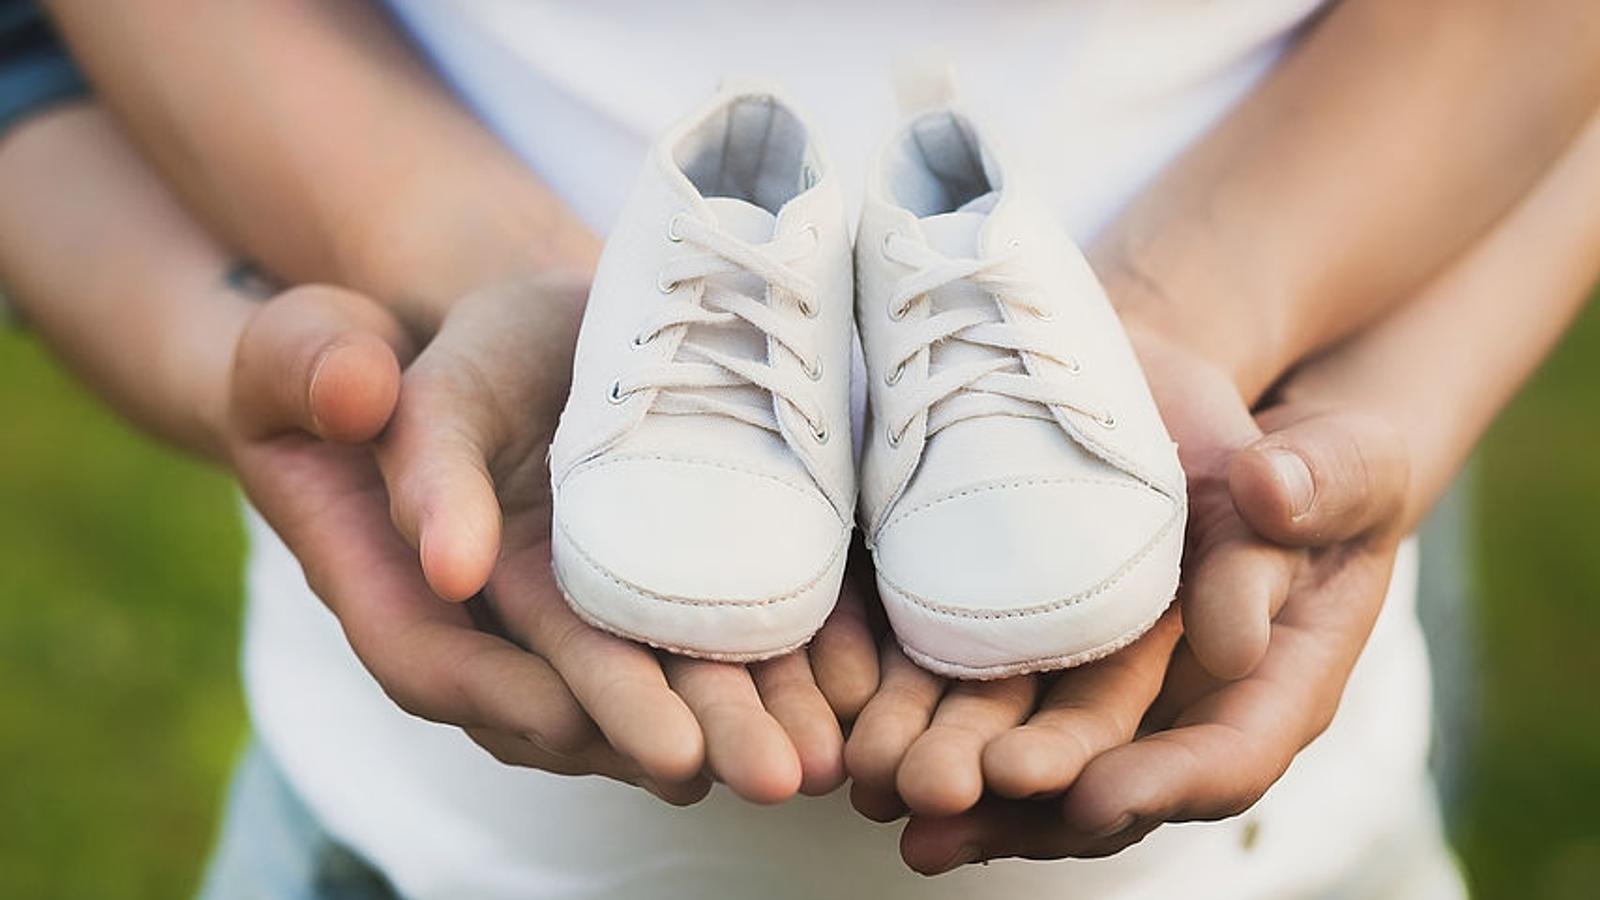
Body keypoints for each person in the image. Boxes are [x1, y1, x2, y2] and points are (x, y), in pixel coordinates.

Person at [4, 0, 1597, 896]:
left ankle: (961, 277)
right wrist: (411, 287)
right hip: (412, 847)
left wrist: (1373, 389)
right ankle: (712, 267)